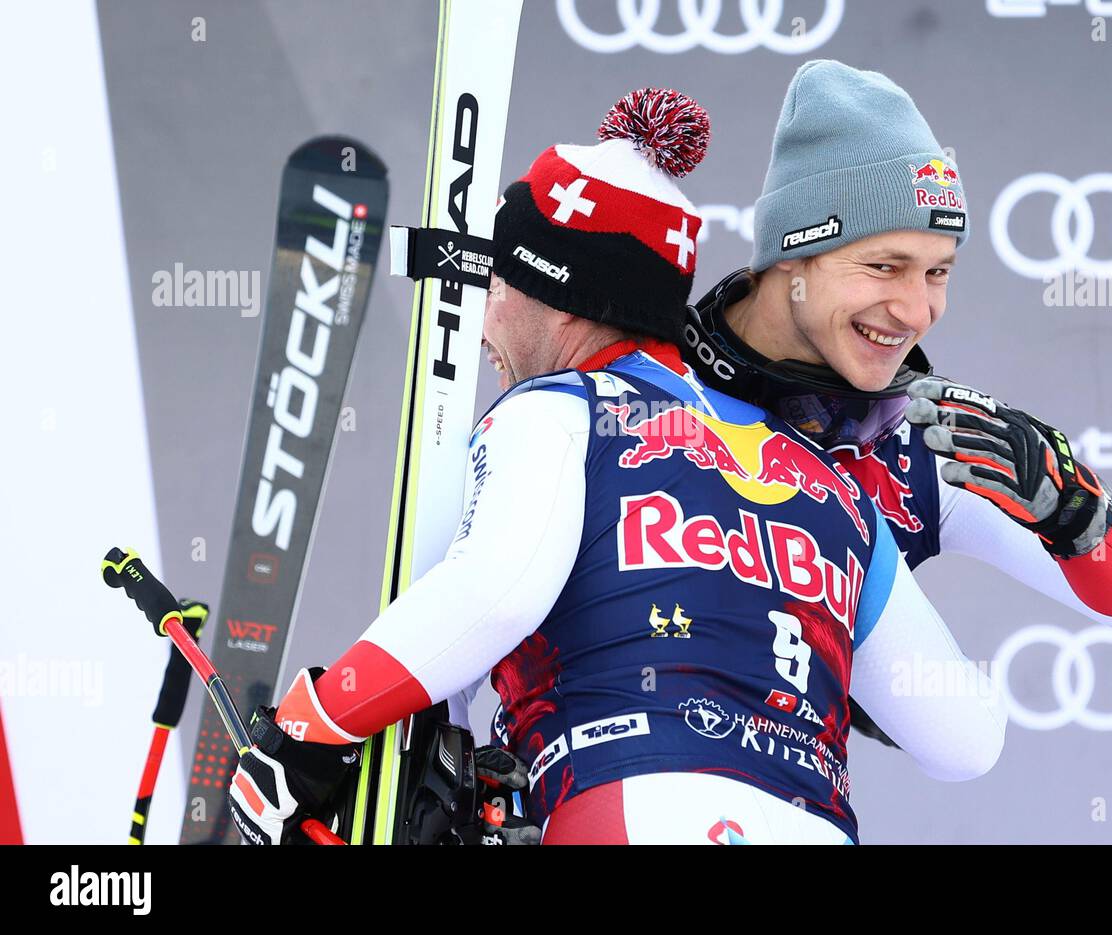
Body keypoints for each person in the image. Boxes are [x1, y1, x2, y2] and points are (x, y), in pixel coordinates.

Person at [225, 88, 1005, 846]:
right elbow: (965, 737)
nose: (484, 317)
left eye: (498, 284)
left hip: (631, 808)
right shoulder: (834, 483)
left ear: (562, 303)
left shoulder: (561, 412)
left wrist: (309, 728)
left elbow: (494, 592)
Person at [681, 61, 1112, 744]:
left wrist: (1075, 510)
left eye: (938, 272)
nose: (917, 310)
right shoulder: (645, 385)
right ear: (791, 257)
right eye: (884, 266)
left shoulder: (923, 439)